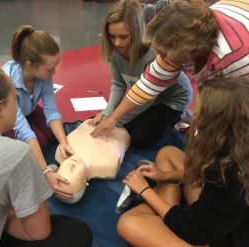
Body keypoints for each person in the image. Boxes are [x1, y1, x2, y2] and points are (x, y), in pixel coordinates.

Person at [0, 63, 93, 247]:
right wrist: (1, 216)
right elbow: (39, 232)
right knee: (75, 232)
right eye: (15, 100)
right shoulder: (14, 153)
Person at [117, 77, 249, 247]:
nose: (194, 116)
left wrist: (145, 191)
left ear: (216, 123)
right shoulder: (237, 145)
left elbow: (197, 231)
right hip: (223, 213)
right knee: (168, 154)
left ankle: (169, 218)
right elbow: (206, 178)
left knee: (129, 224)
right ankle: (169, 212)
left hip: (224, 236)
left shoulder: (229, 171)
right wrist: (164, 175)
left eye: (199, 112)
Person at [91, 0, 249, 138]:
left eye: (165, 53)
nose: (160, 57)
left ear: (188, 50)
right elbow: (147, 85)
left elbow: (238, 104)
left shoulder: (235, 57)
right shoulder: (177, 47)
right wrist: (112, 118)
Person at [89, 0, 192, 149]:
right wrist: (108, 112)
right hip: (145, 97)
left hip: (171, 99)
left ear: (136, 32)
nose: (117, 43)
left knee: (139, 140)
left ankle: (180, 116)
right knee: (116, 124)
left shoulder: (152, 55)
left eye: (123, 37)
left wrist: (115, 120)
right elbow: (118, 84)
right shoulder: (115, 52)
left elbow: (148, 96)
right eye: (112, 36)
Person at [1, 25, 74, 200]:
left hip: (28, 110)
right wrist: (45, 170)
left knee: (53, 136)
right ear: (29, 65)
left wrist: (63, 142)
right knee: (39, 142)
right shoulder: (7, 80)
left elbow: (51, 109)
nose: (54, 72)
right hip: (9, 120)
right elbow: (22, 129)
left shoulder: (44, 74)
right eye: (50, 69)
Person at [55, 120, 130, 203]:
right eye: (72, 174)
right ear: (85, 184)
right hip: (122, 125)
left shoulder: (60, 151)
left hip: (96, 120)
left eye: (64, 172)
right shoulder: (110, 166)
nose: (70, 166)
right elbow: (122, 136)